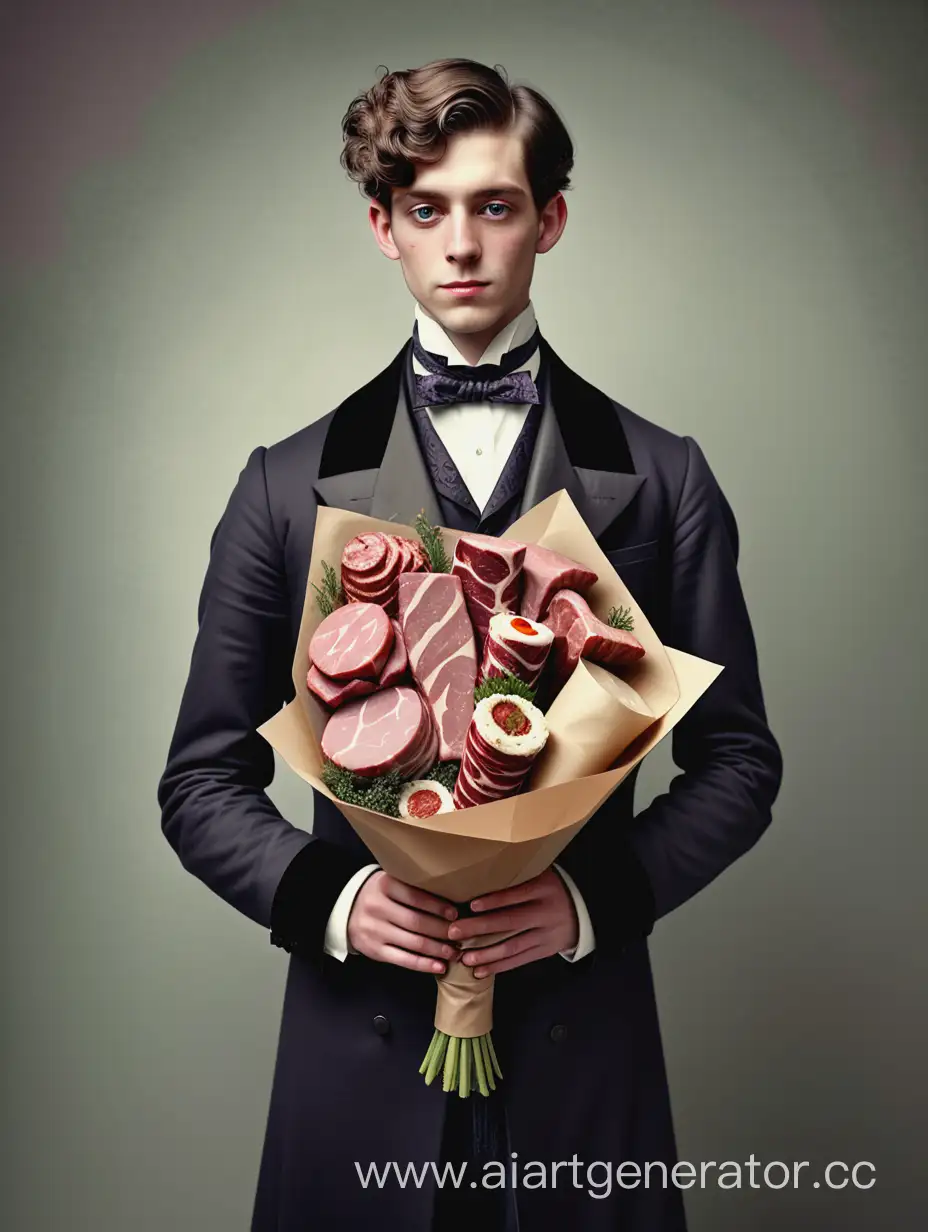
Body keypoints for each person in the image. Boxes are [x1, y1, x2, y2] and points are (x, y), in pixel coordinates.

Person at [157, 57, 784, 1232]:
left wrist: (593, 898)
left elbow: (740, 762)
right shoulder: (285, 488)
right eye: (427, 209)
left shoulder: (663, 476)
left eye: (493, 206)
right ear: (381, 227)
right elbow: (199, 779)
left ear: (547, 219)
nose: (461, 244)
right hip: (358, 1058)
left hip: (581, 1046)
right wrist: (331, 897)